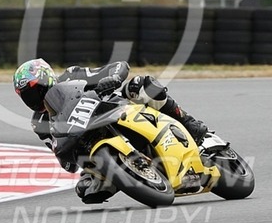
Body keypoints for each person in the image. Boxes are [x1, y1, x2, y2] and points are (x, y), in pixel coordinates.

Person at [13, 58, 209, 204]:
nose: (33, 98)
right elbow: (66, 162)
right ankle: (129, 174)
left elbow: (119, 66)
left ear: (47, 78)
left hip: (117, 109)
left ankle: (188, 123)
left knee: (140, 85)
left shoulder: (72, 75)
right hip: (91, 146)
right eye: (27, 96)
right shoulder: (39, 123)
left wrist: (113, 78)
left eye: (36, 90)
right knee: (86, 190)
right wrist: (64, 153)